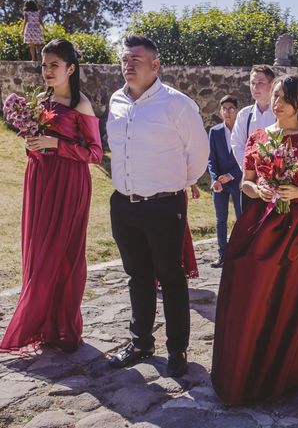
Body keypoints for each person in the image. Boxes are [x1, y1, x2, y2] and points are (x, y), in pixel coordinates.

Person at [212, 75, 298, 405]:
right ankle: (246, 364)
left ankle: (285, 369)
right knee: (249, 290)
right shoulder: (258, 136)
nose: (277, 102)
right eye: (276, 95)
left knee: (286, 296)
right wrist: (260, 190)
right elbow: (246, 184)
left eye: (284, 97)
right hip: (260, 222)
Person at [106, 35, 209, 377]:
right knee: (137, 276)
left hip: (164, 206)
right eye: (125, 58)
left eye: (136, 58)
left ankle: (177, 349)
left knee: (171, 277)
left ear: (155, 64)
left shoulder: (177, 104)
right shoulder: (116, 101)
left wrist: (175, 185)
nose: (128, 64)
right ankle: (140, 342)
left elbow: (199, 156)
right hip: (123, 204)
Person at [0, 39, 102, 353]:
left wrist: (55, 145)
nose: (47, 71)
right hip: (40, 180)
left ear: (71, 68)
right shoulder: (41, 100)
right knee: (38, 251)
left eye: (53, 65)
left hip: (70, 184)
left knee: (63, 254)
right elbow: (38, 141)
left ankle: (63, 327)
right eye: (44, 65)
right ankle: (42, 325)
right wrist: (33, 143)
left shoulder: (79, 104)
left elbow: (96, 153)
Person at [230, 65, 276, 211]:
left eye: (260, 83)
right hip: (252, 183)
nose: (255, 87)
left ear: (272, 84)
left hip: (276, 182)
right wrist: (249, 171)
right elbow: (237, 144)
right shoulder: (245, 115)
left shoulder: (280, 113)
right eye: (252, 83)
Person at [208, 95, 242, 267]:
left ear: (236, 110)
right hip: (220, 183)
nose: (227, 112)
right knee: (220, 220)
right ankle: (222, 254)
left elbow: (245, 158)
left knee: (241, 218)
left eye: (231, 108)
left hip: (238, 181)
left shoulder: (242, 130)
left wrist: (232, 175)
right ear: (220, 111)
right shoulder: (215, 132)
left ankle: (240, 254)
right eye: (224, 109)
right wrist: (215, 179)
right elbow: (211, 159)